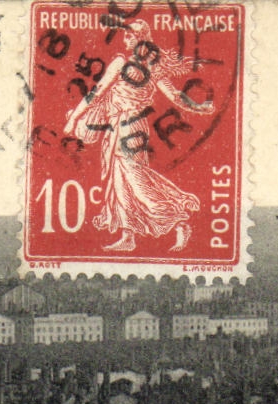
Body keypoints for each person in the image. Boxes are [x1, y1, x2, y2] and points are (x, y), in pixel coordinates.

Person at [63, 20, 216, 251]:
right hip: (123, 127)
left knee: (135, 179)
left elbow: (96, 93)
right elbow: (175, 97)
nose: (125, 40)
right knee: (120, 181)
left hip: (129, 127)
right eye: (125, 37)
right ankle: (129, 236)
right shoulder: (146, 67)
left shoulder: (126, 64)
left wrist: (74, 118)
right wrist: (198, 107)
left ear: (142, 40)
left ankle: (178, 219)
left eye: (130, 37)